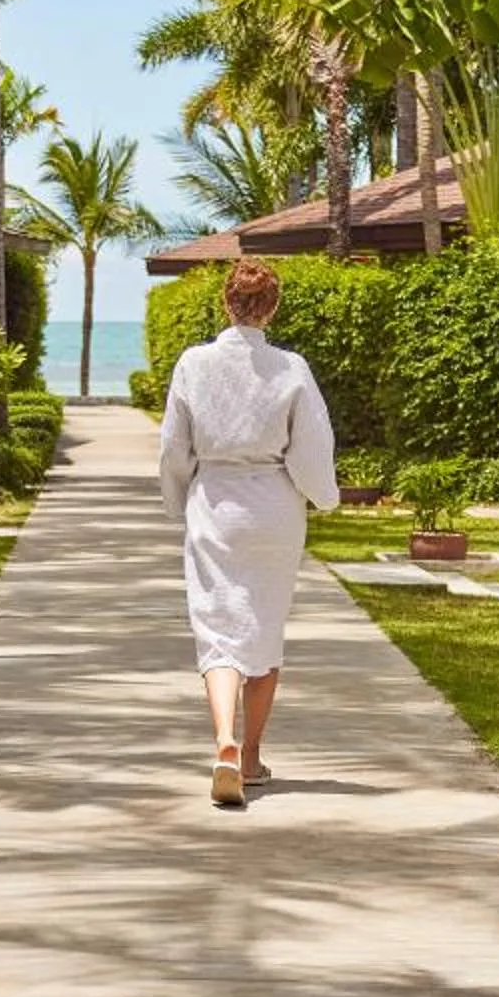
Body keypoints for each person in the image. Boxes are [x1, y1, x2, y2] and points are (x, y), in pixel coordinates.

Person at [158, 259, 339, 808]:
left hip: (216, 505)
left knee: (217, 626)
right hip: (274, 508)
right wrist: (325, 497)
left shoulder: (194, 363)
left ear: (225, 303)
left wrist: (177, 501)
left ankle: (224, 741)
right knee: (263, 627)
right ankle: (254, 755)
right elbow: (311, 446)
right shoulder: (290, 368)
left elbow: (174, 446)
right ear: (273, 307)